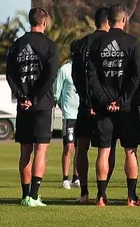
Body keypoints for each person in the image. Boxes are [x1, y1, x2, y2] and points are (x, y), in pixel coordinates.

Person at [85, 3, 140, 206]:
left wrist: (104, 100)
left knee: (104, 152)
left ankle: (100, 197)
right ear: (124, 19)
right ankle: (131, 197)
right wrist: (123, 100)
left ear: (108, 21)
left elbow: (91, 76)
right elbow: (137, 75)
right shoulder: (133, 43)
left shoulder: (97, 45)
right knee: (130, 151)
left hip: (103, 110)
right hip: (127, 109)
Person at [6, 8, 60, 207]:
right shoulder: (49, 46)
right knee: (41, 150)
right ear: (44, 23)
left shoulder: (17, 45)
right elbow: (50, 76)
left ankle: (25, 195)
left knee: (25, 151)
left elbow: (10, 75)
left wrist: (22, 97)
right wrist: (35, 98)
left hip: (24, 105)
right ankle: (34, 196)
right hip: (42, 105)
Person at [71, 7, 114, 203]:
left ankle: (84, 193)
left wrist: (85, 99)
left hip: (84, 104)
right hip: (104, 106)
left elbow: (76, 75)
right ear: (109, 22)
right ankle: (102, 193)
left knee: (82, 148)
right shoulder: (109, 43)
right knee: (106, 150)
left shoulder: (81, 44)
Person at [52, 55, 80, 190]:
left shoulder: (85, 68)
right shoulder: (65, 69)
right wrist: (61, 105)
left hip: (82, 115)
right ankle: (65, 178)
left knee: (81, 148)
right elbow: (56, 91)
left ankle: (77, 177)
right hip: (69, 115)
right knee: (69, 147)